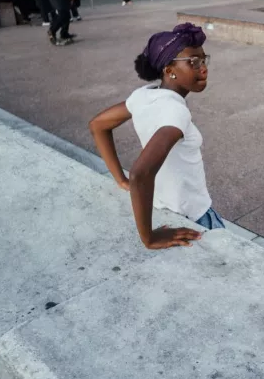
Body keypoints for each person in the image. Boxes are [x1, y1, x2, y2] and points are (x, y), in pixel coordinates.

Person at [89, 23, 224, 250]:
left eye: (204, 59)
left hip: (162, 208)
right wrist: (149, 238)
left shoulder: (143, 96)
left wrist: (120, 180)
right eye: (194, 62)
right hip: (195, 218)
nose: (203, 68)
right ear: (169, 68)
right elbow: (141, 173)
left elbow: (98, 125)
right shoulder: (176, 111)